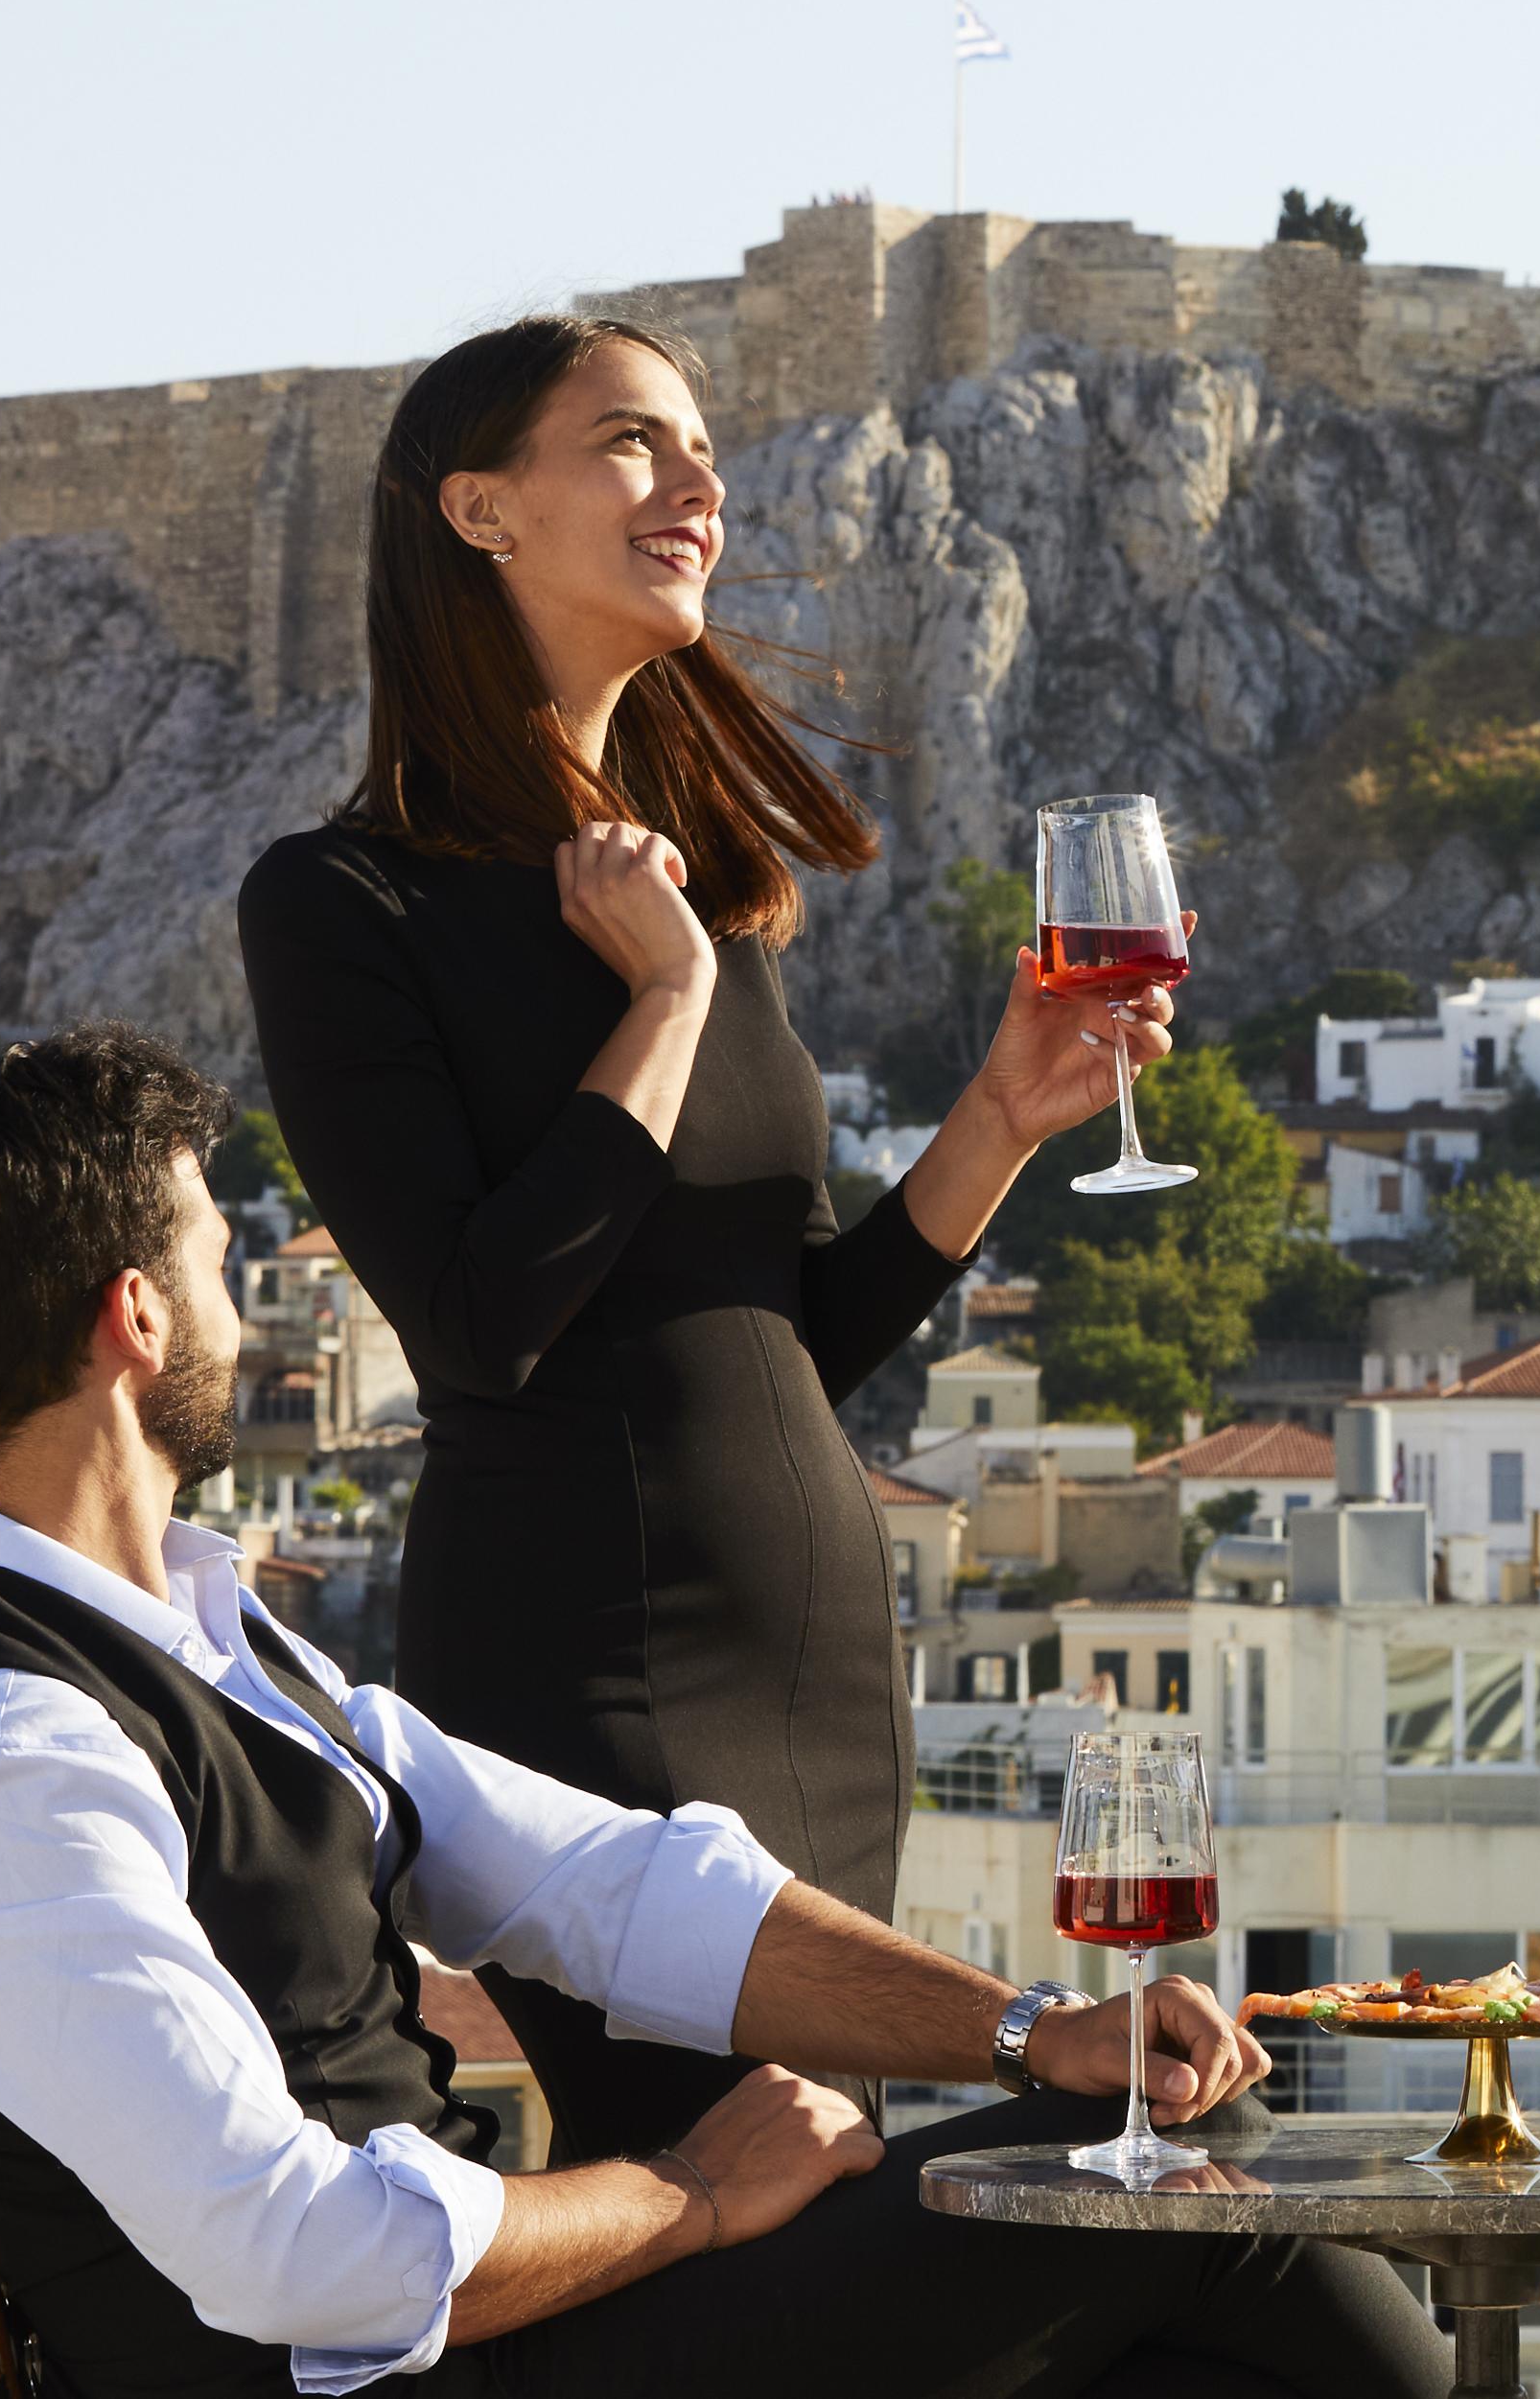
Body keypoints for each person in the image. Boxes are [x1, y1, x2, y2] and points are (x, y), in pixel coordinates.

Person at [0, 1026, 1444, 2399]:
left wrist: (1031, 2032)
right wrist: (690, 2194)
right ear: (136, 1316)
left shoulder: (202, 1638)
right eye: (217, 1251)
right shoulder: (1, 1760)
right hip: (435, 2371)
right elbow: (293, 2251)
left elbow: (608, 1885)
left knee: (1160, 2219)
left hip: (517, 2340)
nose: (244, 1297)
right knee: (1198, 2211)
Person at [237, 314, 1165, 2161]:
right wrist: (654, 1003)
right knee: (765, 2192)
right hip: (585, 1665)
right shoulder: (347, 902)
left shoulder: (699, 895)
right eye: (634, 444)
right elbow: (482, 1322)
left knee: (821, 2207)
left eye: (701, 450)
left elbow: (784, 1329)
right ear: (481, 509)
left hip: (816, 1657)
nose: (701, 486)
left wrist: (999, 1116)